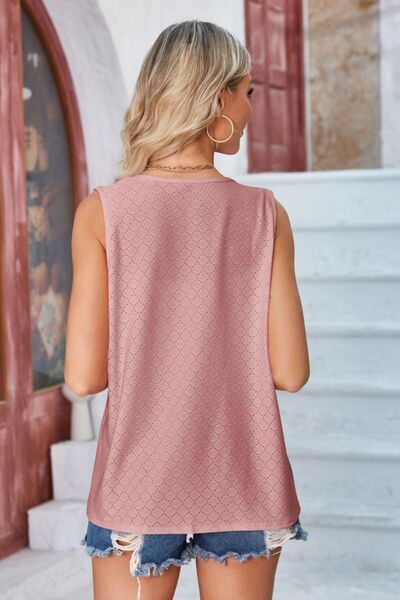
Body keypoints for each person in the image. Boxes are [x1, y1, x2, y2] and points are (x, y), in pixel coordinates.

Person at [65, 19, 310, 600]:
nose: (250, 109)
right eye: (247, 92)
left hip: (139, 485)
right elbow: (291, 372)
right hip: (245, 478)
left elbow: (83, 377)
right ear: (217, 98)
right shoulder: (265, 215)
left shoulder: (103, 212)